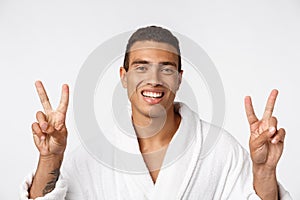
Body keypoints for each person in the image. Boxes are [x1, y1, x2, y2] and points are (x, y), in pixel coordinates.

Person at [20, 26, 291, 199]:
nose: (154, 79)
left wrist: (265, 171)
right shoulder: (92, 156)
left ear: (179, 78)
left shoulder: (221, 149)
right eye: (141, 67)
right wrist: (50, 158)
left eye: (167, 68)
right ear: (123, 77)